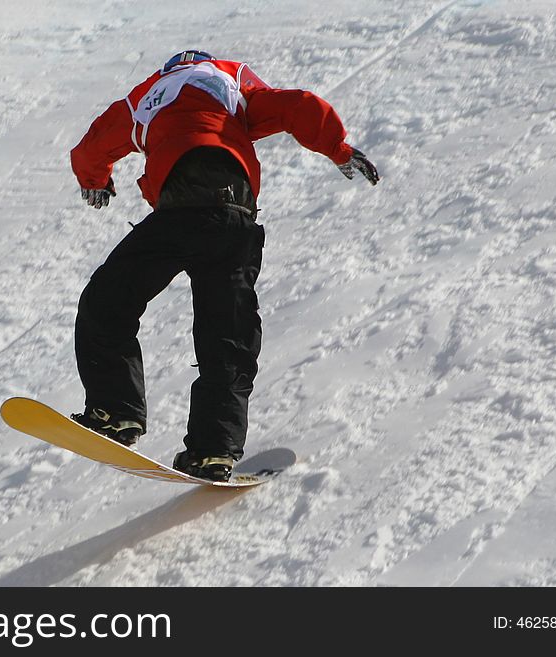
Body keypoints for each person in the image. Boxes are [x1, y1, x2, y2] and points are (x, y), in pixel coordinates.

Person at [69, 50, 378, 481]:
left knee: (107, 303)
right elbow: (297, 106)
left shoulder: (148, 96)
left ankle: (114, 411)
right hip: (233, 220)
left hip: (176, 215)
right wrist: (338, 149)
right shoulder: (232, 85)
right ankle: (213, 450)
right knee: (228, 337)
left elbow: (94, 144)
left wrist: (95, 181)